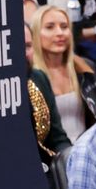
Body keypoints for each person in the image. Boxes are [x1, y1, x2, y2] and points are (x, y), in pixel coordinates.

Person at [29, 4, 96, 142]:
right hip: (50, 156)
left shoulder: (86, 68)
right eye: (50, 27)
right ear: (35, 33)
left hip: (89, 149)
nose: (60, 33)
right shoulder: (30, 78)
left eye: (64, 27)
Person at [23, 23, 72, 166]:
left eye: (27, 46)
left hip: (45, 166)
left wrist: (71, 160)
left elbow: (57, 138)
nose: (24, 53)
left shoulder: (38, 78)